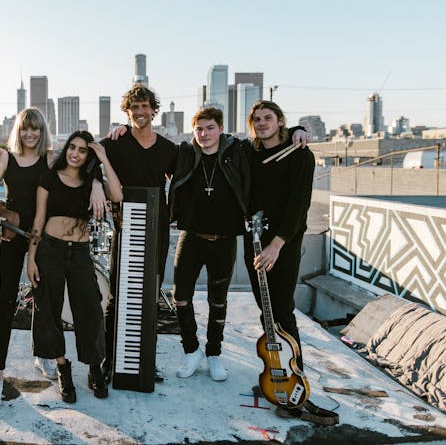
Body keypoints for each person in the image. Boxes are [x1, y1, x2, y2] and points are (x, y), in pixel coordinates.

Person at [0, 108, 108, 408]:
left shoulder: (50, 158)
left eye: (35, 129)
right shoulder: (6, 158)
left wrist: (98, 183)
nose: (30, 134)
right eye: (24, 129)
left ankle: (43, 353)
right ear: (18, 131)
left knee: (44, 299)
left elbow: (83, 165)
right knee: (8, 303)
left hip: (44, 238)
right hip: (12, 235)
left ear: (42, 131)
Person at [244, 100, 337, 425]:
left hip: (282, 243)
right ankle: (274, 371)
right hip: (253, 240)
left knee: (281, 310)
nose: (262, 123)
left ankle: (295, 382)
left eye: (268, 118)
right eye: (256, 119)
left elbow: (300, 205)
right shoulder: (251, 153)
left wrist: (277, 245)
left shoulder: (300, 154)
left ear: (280, 121)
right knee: (265, 309)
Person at [27, 130, 123, 403]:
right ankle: (62, 368)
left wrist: (102, 161)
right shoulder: (49, 178)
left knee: (90, 310)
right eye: (72, 147)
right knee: (49, 309)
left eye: (82, 150)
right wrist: (31, 258)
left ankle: (94, 368)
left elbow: (117, 195)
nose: (75, 153)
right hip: (50, 250)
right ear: (66, 149)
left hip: (80, 252)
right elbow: (39, 219)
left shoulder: (91, 182)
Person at [100, 84, 178, 383]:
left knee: (150, 294)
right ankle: (110, 359)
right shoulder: (115, 143)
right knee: (118, 295)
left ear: (153, 110)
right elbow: (85, 152)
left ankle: (146, 359)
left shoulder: (169, 149)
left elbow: (182, 180)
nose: (140, 112)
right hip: (125, 226)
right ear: (128, 112)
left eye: (145, 106)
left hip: (156, 229)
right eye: (135, 108)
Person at [167, 106, 248, 381]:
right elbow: (149, 151)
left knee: (218, 302)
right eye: (199, 129)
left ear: (221, 129)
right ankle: (192, 350)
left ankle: (214, 353)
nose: (204, 134)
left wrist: (296, 131)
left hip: (224, 242)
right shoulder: (186, 154)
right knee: (180, 296)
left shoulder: (237, 153)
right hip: (191, 237)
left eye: (210, 127)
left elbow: (266, 146)